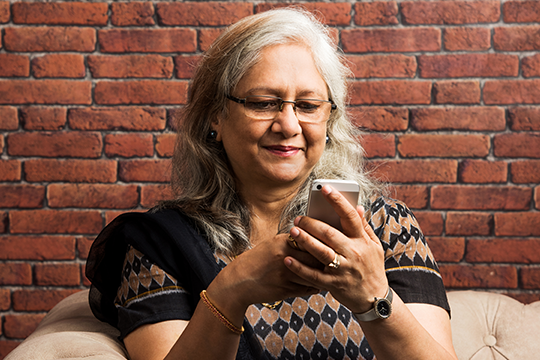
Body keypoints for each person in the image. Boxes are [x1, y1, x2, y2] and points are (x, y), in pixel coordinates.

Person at [86, 8, 458, 360]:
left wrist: (374, 297)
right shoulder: (160, 244)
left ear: (329, 121)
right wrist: (233, 289)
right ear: (215, 115)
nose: (289, 125)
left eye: (308, 106)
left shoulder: (382, 228)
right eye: (264, 103)